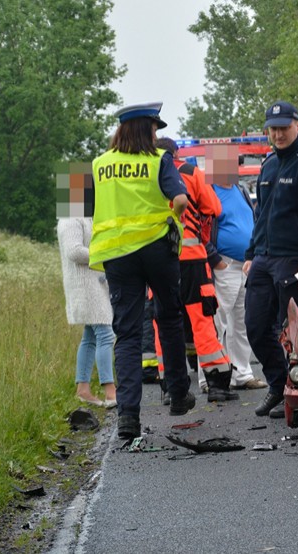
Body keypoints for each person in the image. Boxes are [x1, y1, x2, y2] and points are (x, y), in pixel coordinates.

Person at [89, 102, 195, 440]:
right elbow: (180, 200)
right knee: (169, 316)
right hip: (156, 248)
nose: (156, 134)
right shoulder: (158, 161)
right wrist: (171, 219)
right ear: (145, 130)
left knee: (128, 333)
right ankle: (178, 394)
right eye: (154, 128)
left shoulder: (99, 164)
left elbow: (88, 207)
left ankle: (128, 418)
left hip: (118, 254)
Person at [243, 100, 298, 417]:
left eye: (284, 127)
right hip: (264, 260)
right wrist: (251, 254)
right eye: (273, 128)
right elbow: (260, 215)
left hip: (294, 262)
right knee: (255, 326)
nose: (278, 134)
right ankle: (278, 385)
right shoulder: (268, 166)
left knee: (296, 334)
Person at [154, 137, 236, 403]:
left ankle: (170, 388)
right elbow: (214, 208)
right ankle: (218, 385)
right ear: (176, 153)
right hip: (191, 258)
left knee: (163, 324)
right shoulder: (190, 172)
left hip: (159, 260)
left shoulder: (147, 175)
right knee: (202, 319)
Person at [205, 143, 266, 390]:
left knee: (241, 324)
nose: (235, 167)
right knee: (218, 323)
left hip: (244, 267)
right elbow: (202, 230)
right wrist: (214, 259)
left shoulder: (239, 190)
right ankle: (212, 377)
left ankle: (242, 373)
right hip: (224, 267)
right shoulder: (209, 191)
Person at [56, 168, 116, 409]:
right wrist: (104, 255)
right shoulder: (70, 219)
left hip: (93, 283)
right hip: (84, 286)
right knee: (105, 334)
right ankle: (110, 391)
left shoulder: (83, 216)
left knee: (90, 337)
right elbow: (73, 251)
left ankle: (83, 389)